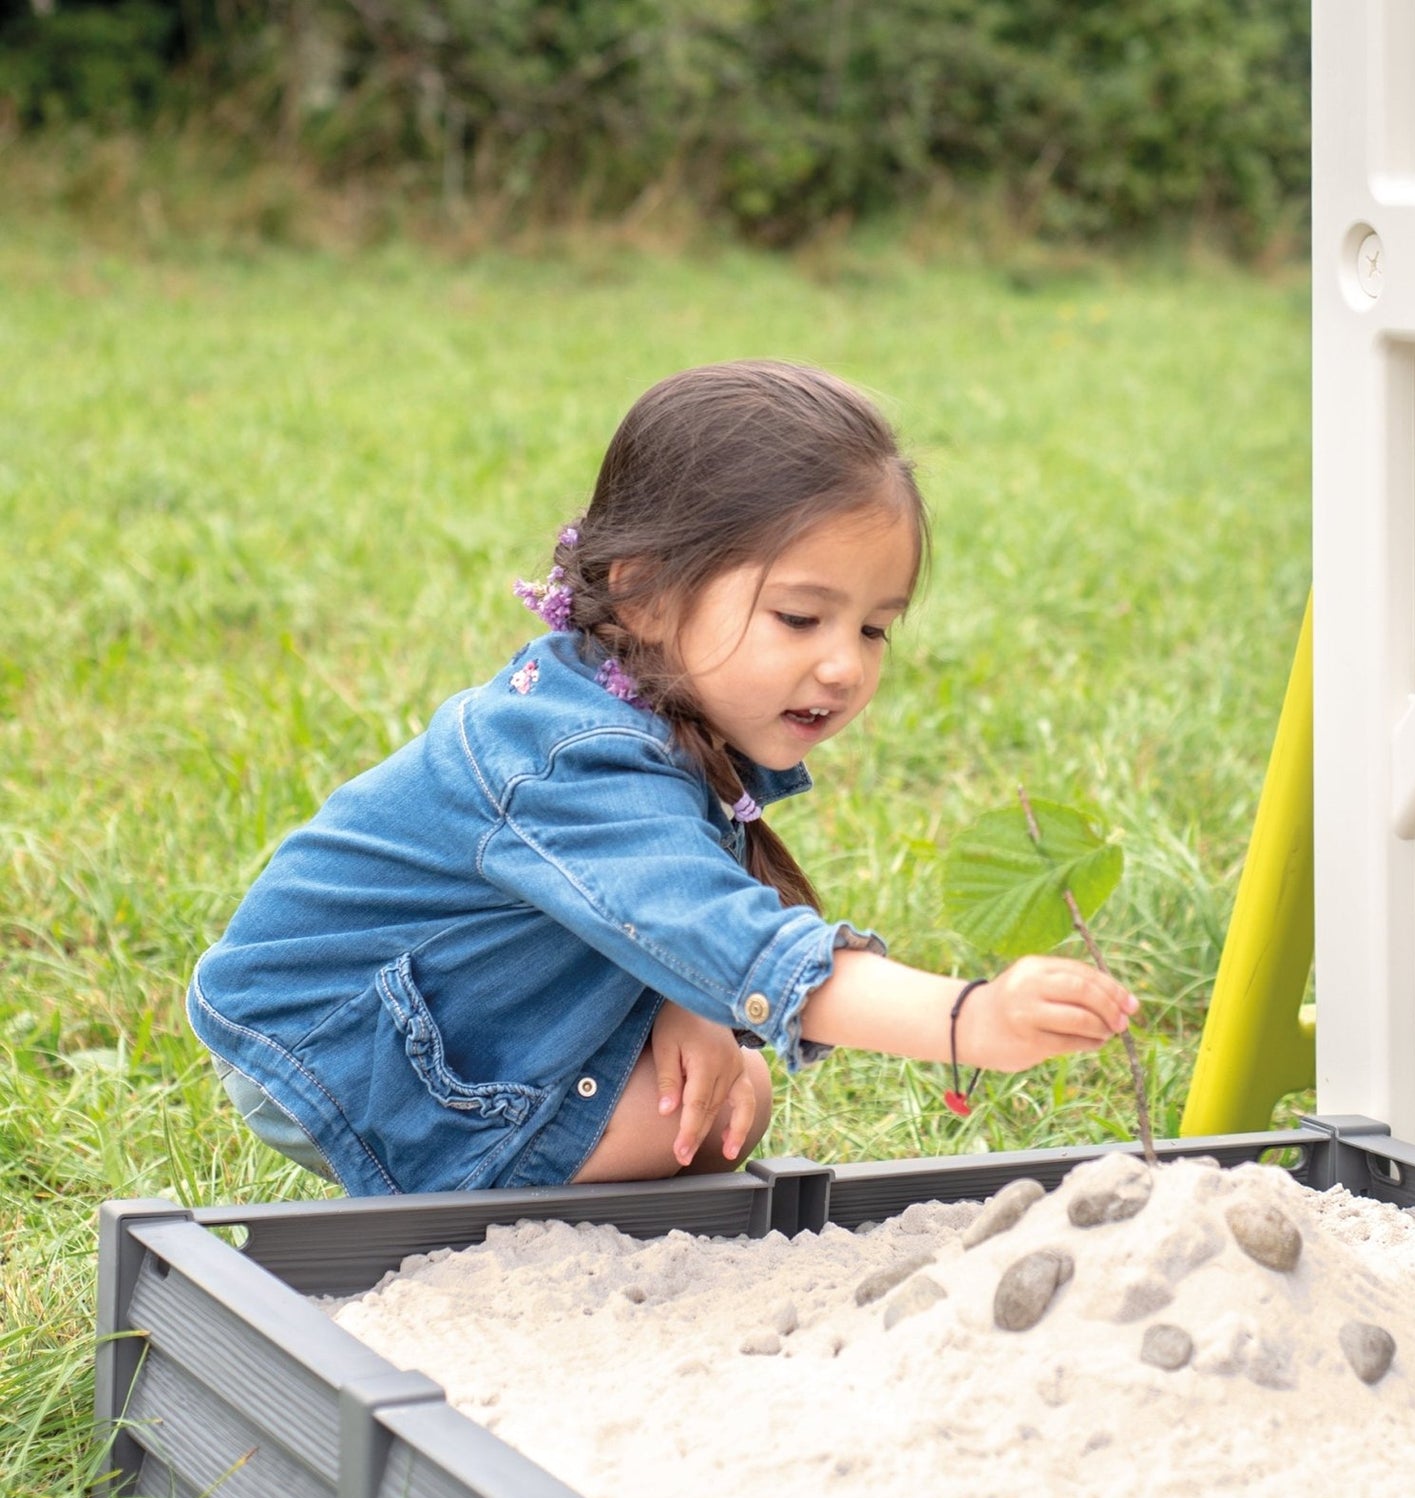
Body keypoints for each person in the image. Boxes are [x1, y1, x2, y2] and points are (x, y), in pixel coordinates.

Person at [188, 360, 1137, 1196]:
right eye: (802, 619)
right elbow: (735, 936)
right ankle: (469, 1189)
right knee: (706, 1122)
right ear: (644, 594)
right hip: (337, 1040)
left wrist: (678, 998)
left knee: (729, 1096)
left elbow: (661, 895)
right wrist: (974, 1018)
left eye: (873, 628)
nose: (845, 664)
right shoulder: (575, 756)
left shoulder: (645, 695)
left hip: (450, 995)